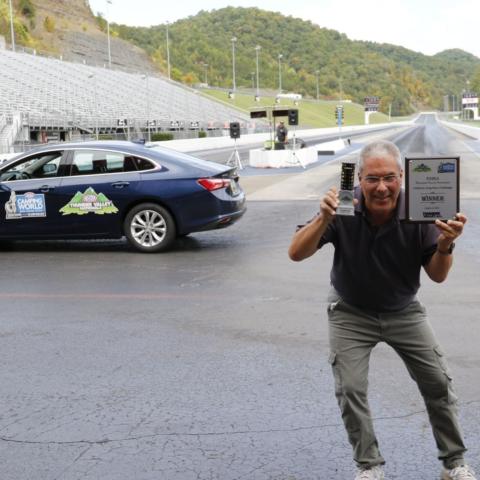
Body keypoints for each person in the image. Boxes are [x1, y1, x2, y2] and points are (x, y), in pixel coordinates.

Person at [288, 140, 475, 480]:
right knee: (351, 388)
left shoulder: (420, 207)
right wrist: (324, 218)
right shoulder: (344, 205)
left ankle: (454, 463)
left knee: (438, 383)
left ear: (402, 177)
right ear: (359, 178)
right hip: (350, 310)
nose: (382, 187)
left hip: (403, 309)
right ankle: (369, 466)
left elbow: (437, 275)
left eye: (390, 177)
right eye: (372, 179)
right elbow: (296, 253)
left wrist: (446, 243)